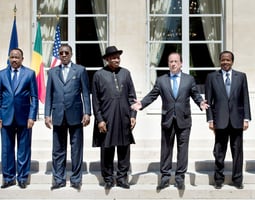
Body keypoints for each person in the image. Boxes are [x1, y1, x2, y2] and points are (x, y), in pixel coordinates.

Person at [131, 52, 208, 190]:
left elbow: (195, 94)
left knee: (182, 150)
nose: (173, 64)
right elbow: (153, 95)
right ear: (168, 64)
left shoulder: (189, 79)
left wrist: (201, 103)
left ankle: (180, 178)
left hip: (184, 120)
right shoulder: (161, 80)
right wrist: (141, 104)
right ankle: (165, 178)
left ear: (181, 63)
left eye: (176, 61)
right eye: (170, 61)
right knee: (166, 149)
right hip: (167, 120)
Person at [44, 44, 91, 191]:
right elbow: (49, 95)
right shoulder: (52, 72)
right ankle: (59, 179)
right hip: (58, 115)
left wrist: (87, 112)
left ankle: (76, 179)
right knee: (58, 150)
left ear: (71, 54)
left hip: (76, 115)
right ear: (58, 54)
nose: (64, 55)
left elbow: (85, 93)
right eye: (61, 53)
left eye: (66, 53)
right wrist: (46, 115)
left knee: (76, 148)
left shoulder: (80, 70)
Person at [92, 46, 137, 190]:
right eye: (112, 58)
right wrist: (100, 119)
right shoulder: (99, 75)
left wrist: (133, 115)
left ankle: (122, 178)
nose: (116, 60)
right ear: (107, 59)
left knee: (124, 148)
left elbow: (132, 97)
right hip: (106, 118)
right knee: (107, 149)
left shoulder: (126, 73)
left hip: (124, 117)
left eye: (117, 57)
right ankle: (108, 178)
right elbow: (96, 100)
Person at [205, 50, 251, 190]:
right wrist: (210, 120)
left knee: (238, 152)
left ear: (232, 61)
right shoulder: (212, 77)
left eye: (228, 60)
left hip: (237, 120)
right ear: (220, 61)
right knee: (219, 152)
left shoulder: (241, 77)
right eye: (223, 60)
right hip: (220, 120)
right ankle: (218, 179)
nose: (225, 62)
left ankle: (237, 180)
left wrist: (246, 118)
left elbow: (245, 99)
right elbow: (208, 101)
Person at [0, 48, 38, 189]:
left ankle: (22, 178)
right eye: (12, 57)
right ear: (9, 58)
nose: (14, 60)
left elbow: (34, 97)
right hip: (6, 118)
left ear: (22, 58)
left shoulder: (29, 74)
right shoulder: (1, 74)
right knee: (7, 149)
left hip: (24, 118)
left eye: (17, 57)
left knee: (23, 150)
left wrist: (32, 116)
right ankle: (8, 178)